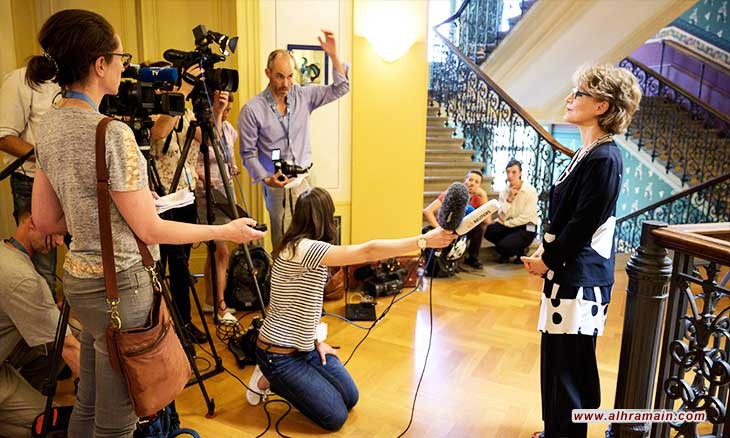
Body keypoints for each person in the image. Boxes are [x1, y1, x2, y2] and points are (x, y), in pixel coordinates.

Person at [28, 9, 264, 437]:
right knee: (118, 420)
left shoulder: (50, 125)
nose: (125, 66)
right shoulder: (111, 133)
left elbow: (45, 219)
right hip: (120, 287)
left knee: (88, 402)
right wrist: (225, 231)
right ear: (100, 64)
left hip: (79, 284)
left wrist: (118, 206)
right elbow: (151, 231)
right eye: (121, 57)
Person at [246, 187, 456, 431]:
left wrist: (316, 341)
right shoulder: (302, 249)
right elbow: (368, 251)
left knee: (350, 396)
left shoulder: (309, 249)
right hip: (278, 355)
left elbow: (307, 303)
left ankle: (292, 374)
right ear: (326, 216)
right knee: (334, 417)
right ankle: (267, 378)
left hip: (304, 347)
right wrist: (423, 240)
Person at [521, 64, 641, 438]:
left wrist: (547, 259)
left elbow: (583, 224)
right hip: (567, 273)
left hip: (581, 279)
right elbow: (567, 219)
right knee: (557, 361)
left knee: (571, 367)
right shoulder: (588, 152)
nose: (569, 98)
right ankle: (556, 430)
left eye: (578, 93)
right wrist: (545, 251)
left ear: (602, 106)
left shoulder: (604, 158)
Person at [239, 30, 350, 250]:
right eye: (280, 76)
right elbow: (248, 153)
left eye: (290, 76)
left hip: (306, 177)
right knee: (283, 239)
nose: (286, 83)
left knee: (314, 234)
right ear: (268, 73)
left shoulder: (303, 96)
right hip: (277, 184)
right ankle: (282, 271)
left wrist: (333, 55)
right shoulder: (252, 110)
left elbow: (341, 88)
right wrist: (267, 178)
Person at [0, 203, 80, 437]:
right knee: (53, 425)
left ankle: (23, 396)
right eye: (57, 233)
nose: (59, 242)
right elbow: (69, 347)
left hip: (6, 356)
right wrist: (108, 400)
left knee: (70, 327)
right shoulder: (23, 279)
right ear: (33, 222)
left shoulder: (6, 251)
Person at [147, 60, 210, 342]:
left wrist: (214, 109)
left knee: (182, 266)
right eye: (167, 85)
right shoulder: (146, 112)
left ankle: (184, 322)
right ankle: (160, 328)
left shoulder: (182, 109)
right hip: (160, 199)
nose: (171, 89)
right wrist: (182, 92)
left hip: (185, 195)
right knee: (160, 266)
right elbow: (158, 133)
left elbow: (207, 139)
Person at [0, 67, 61, 296]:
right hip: (34, 183)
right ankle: (45, 318)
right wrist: (52, 158)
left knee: (90, 263)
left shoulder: (79, 79)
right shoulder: (20, 80)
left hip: (74, 184)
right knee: (42, 271)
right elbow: (4, 137)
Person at [195, 90, 239, 324]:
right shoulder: (198, 129)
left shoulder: (229, 130)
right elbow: (192, 161)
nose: (226, 113)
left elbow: (228, 157)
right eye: (223, 109)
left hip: (226, 194)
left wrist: (232, 168)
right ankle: (221, 307)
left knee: (215, 251)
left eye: (229, 110)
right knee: (222, 252)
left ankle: (211, 300)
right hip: (206, 196)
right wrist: (203, 178)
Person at [422, 169, 488, 268]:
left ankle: (472, 258)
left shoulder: (477, 199)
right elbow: (427, 211)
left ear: (479, 186)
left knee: (479, 228)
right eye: (470, 180)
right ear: (465, 180)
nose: (472, 183)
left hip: (462, 230)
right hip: (447, 228)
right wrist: (438, 228)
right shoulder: (452, 193)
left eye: (476, 182)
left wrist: (484, 195)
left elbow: (487, 221)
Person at [484, 159, 538, 263]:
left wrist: (505, 223)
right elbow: (501, 216)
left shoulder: (530, 191)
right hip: (510, 224)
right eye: (508, 172)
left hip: (527, 227)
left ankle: (519, 250)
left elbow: (526, 218)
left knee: (502, 247)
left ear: (520, 173)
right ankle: (510, 248)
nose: (510, 175)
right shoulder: (505, 191)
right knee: (489, 231)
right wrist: (509, 200)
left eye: (514, 172)